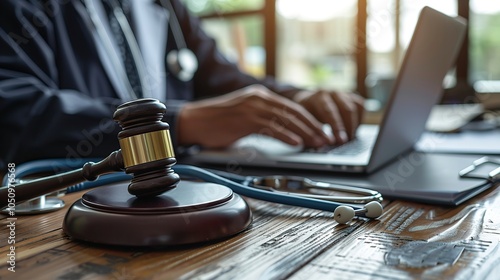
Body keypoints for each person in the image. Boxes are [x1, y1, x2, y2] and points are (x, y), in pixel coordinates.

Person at [0, 0, 364, 170]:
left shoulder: (168, 7)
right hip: (62, 214)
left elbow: (224, 81)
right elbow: (16, 115)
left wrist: (298, 97)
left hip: (176, 195)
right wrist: (180, 124)